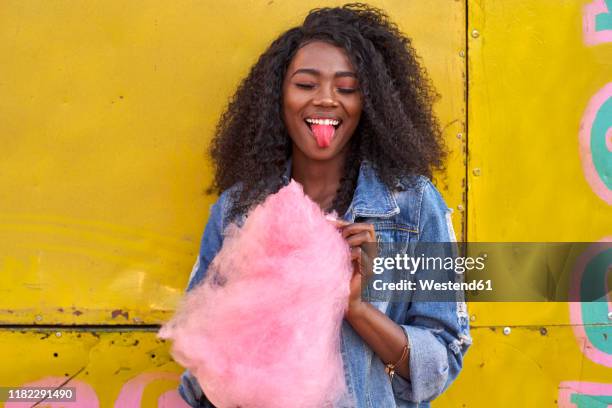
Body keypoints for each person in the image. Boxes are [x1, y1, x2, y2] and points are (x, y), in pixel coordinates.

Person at [178, 4, 471, 407]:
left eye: (346, 88)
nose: (327, 100)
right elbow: (198, 364)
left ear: (369, 103)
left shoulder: (414, 207)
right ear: (277, 97)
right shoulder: (238, 211)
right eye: (306, 85)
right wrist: (264, 286)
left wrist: (357, 308)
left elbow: (443, 359)